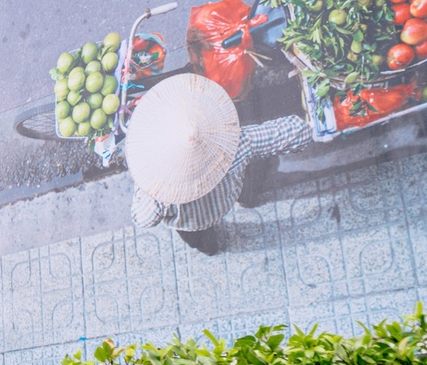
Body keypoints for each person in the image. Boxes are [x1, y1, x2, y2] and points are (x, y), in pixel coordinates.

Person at [124, 72, 311, 253]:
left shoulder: (160, 192)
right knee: (246, 189)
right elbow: (284, 134)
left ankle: (211, 249)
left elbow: (142, 219)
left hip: (195, 223)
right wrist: (310, 126)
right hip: (226, 200)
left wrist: (145, 183)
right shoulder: (236, 144)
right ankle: (248, 201)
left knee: (202, 241)